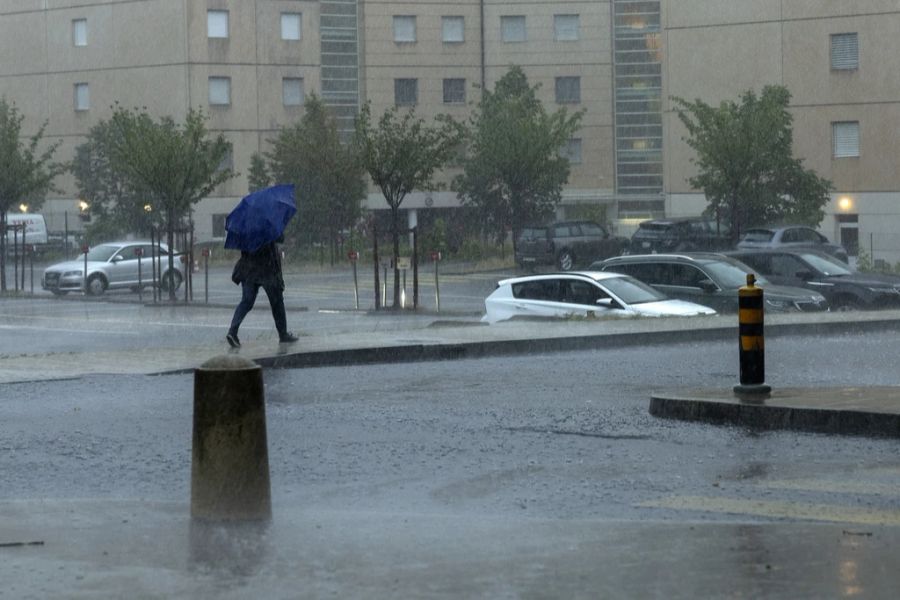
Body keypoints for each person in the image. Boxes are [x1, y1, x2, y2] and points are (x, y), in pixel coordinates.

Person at [227, 236, 298, 347]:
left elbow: (243, 248)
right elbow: (280, 238)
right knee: (277, 302)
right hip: (266, 269)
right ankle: (283, 334)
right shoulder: (267, 225)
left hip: (248, 270)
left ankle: (232, 331)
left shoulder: (245, 227)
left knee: (246, 301)